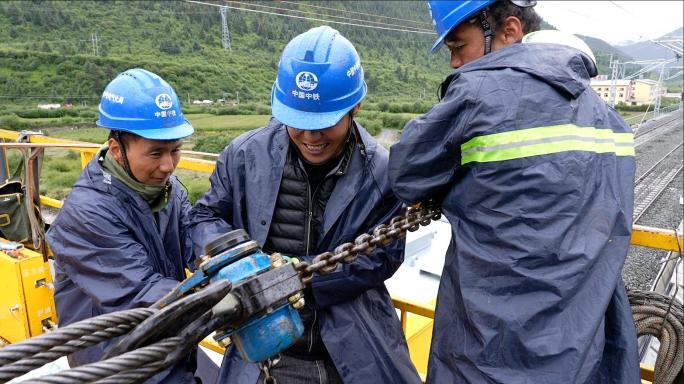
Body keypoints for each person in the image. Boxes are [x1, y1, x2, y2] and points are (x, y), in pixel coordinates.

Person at [388, 1, 639, 383]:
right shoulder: (610, 121)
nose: (455, 63)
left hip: (488, 352)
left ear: (508, 31)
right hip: (584, 346)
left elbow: (407, 175)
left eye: (458, 46)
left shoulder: (476, 94)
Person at [189, 26, 420, 384]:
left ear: (355, 106)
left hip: (348, 349)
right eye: (298, 122)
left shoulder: (381, 172)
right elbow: (203, 217)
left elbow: (381, 256)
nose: (311, 136)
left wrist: (295, 277)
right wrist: (235, 265)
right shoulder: (245, 156)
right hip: (266, 348)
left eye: (324, 123)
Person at [48, 68, 198, 383]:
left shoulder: (169, 190)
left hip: (162, 343)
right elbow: (140, 290)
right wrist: (220, 292)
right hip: (116, 363)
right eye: (156, 153)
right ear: (117, 150)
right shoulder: (87, 213)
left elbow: (197, 238)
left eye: (175, 150)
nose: (168, 165)